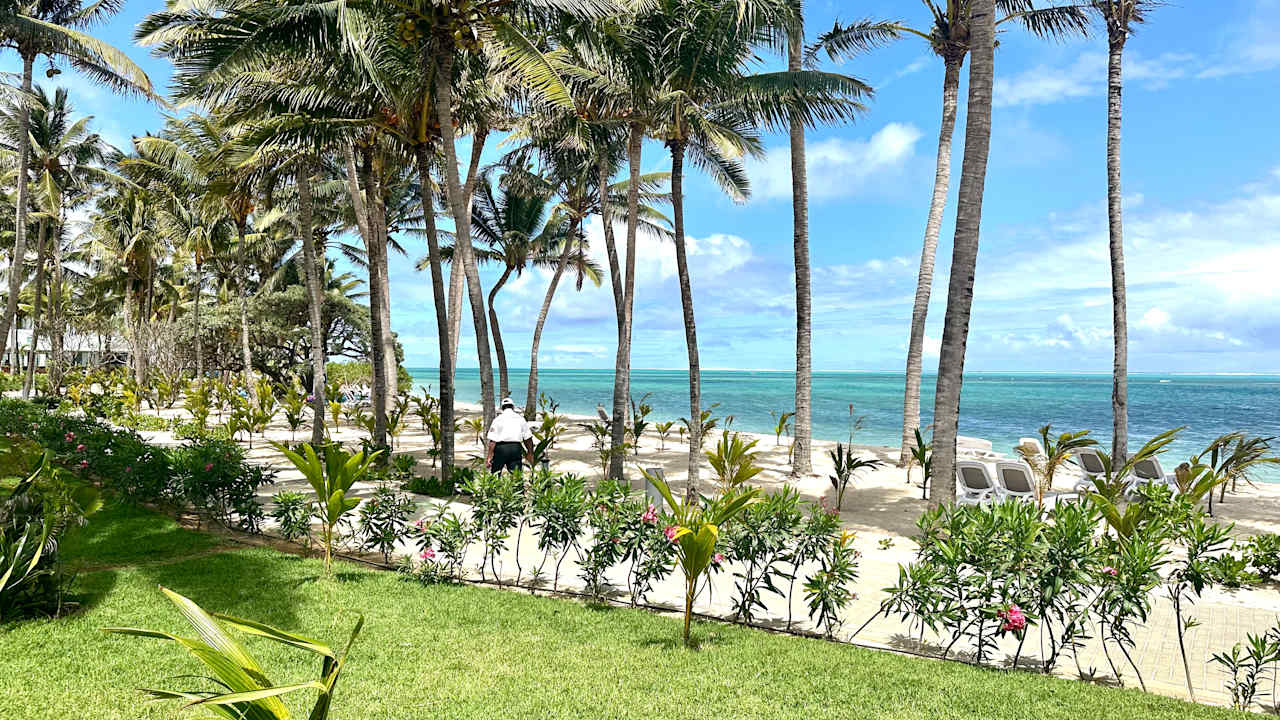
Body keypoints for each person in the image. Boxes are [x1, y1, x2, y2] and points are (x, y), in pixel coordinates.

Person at [486, 397, 534, 473]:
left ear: (502, 408)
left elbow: (493, 440)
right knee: (515, 475)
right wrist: (530, 453)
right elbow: (528, 438)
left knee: (496, 473)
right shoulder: (520, 419)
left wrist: (489, 456)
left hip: (501, 449)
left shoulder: (497, 419)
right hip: (515, 448)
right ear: (513, 407)